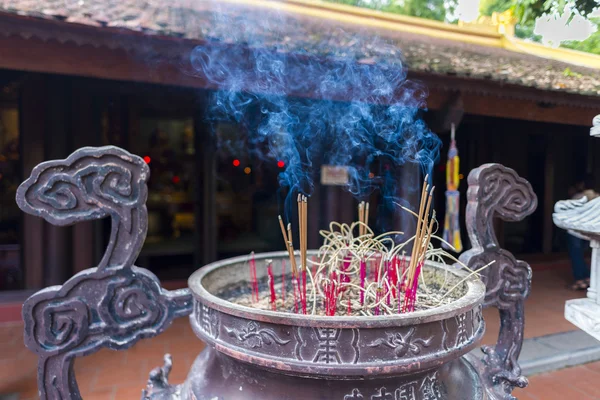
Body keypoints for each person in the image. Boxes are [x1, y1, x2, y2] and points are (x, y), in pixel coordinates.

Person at [566, 176, 599, 290]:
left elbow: (569, 214)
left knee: (576, 256)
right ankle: (588, 278)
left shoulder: (578, 197)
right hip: (589, 233)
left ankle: (580, 279)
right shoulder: (597, 197)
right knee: (587, 256)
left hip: (575, 232)